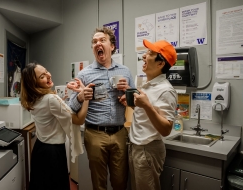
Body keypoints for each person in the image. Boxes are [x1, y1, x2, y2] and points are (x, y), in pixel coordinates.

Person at [69, 27, 135, 190]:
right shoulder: (84, 74)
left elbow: (135, 100)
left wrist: (127, 94)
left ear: (112, 46)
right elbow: (71, 106)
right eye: (94, 42)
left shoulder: (125, 71)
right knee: (99, 183)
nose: (98, 43)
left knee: (120, 182)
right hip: (95, 134)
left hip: (120, 133)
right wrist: (81, 95)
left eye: (102, 40)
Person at [20, 62, 90, 190]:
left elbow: (57, 111)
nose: (48, 75)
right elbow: (79, 120)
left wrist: (65, 100)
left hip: (40, 149)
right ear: (34, 84)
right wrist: (86, 98)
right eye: (42, 77)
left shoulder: (34, 99)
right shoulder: (50, 99)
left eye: (46, 71)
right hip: (52, 153)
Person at [124, 39, 178, 190]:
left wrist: (146, 105)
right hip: (136, 147)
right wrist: (136, 106)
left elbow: (166, 129)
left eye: (150, 53)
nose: (144, 56)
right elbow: (148, 115)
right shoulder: (148, 85)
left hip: (147, 150)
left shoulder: (166, 90)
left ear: (161, 64)